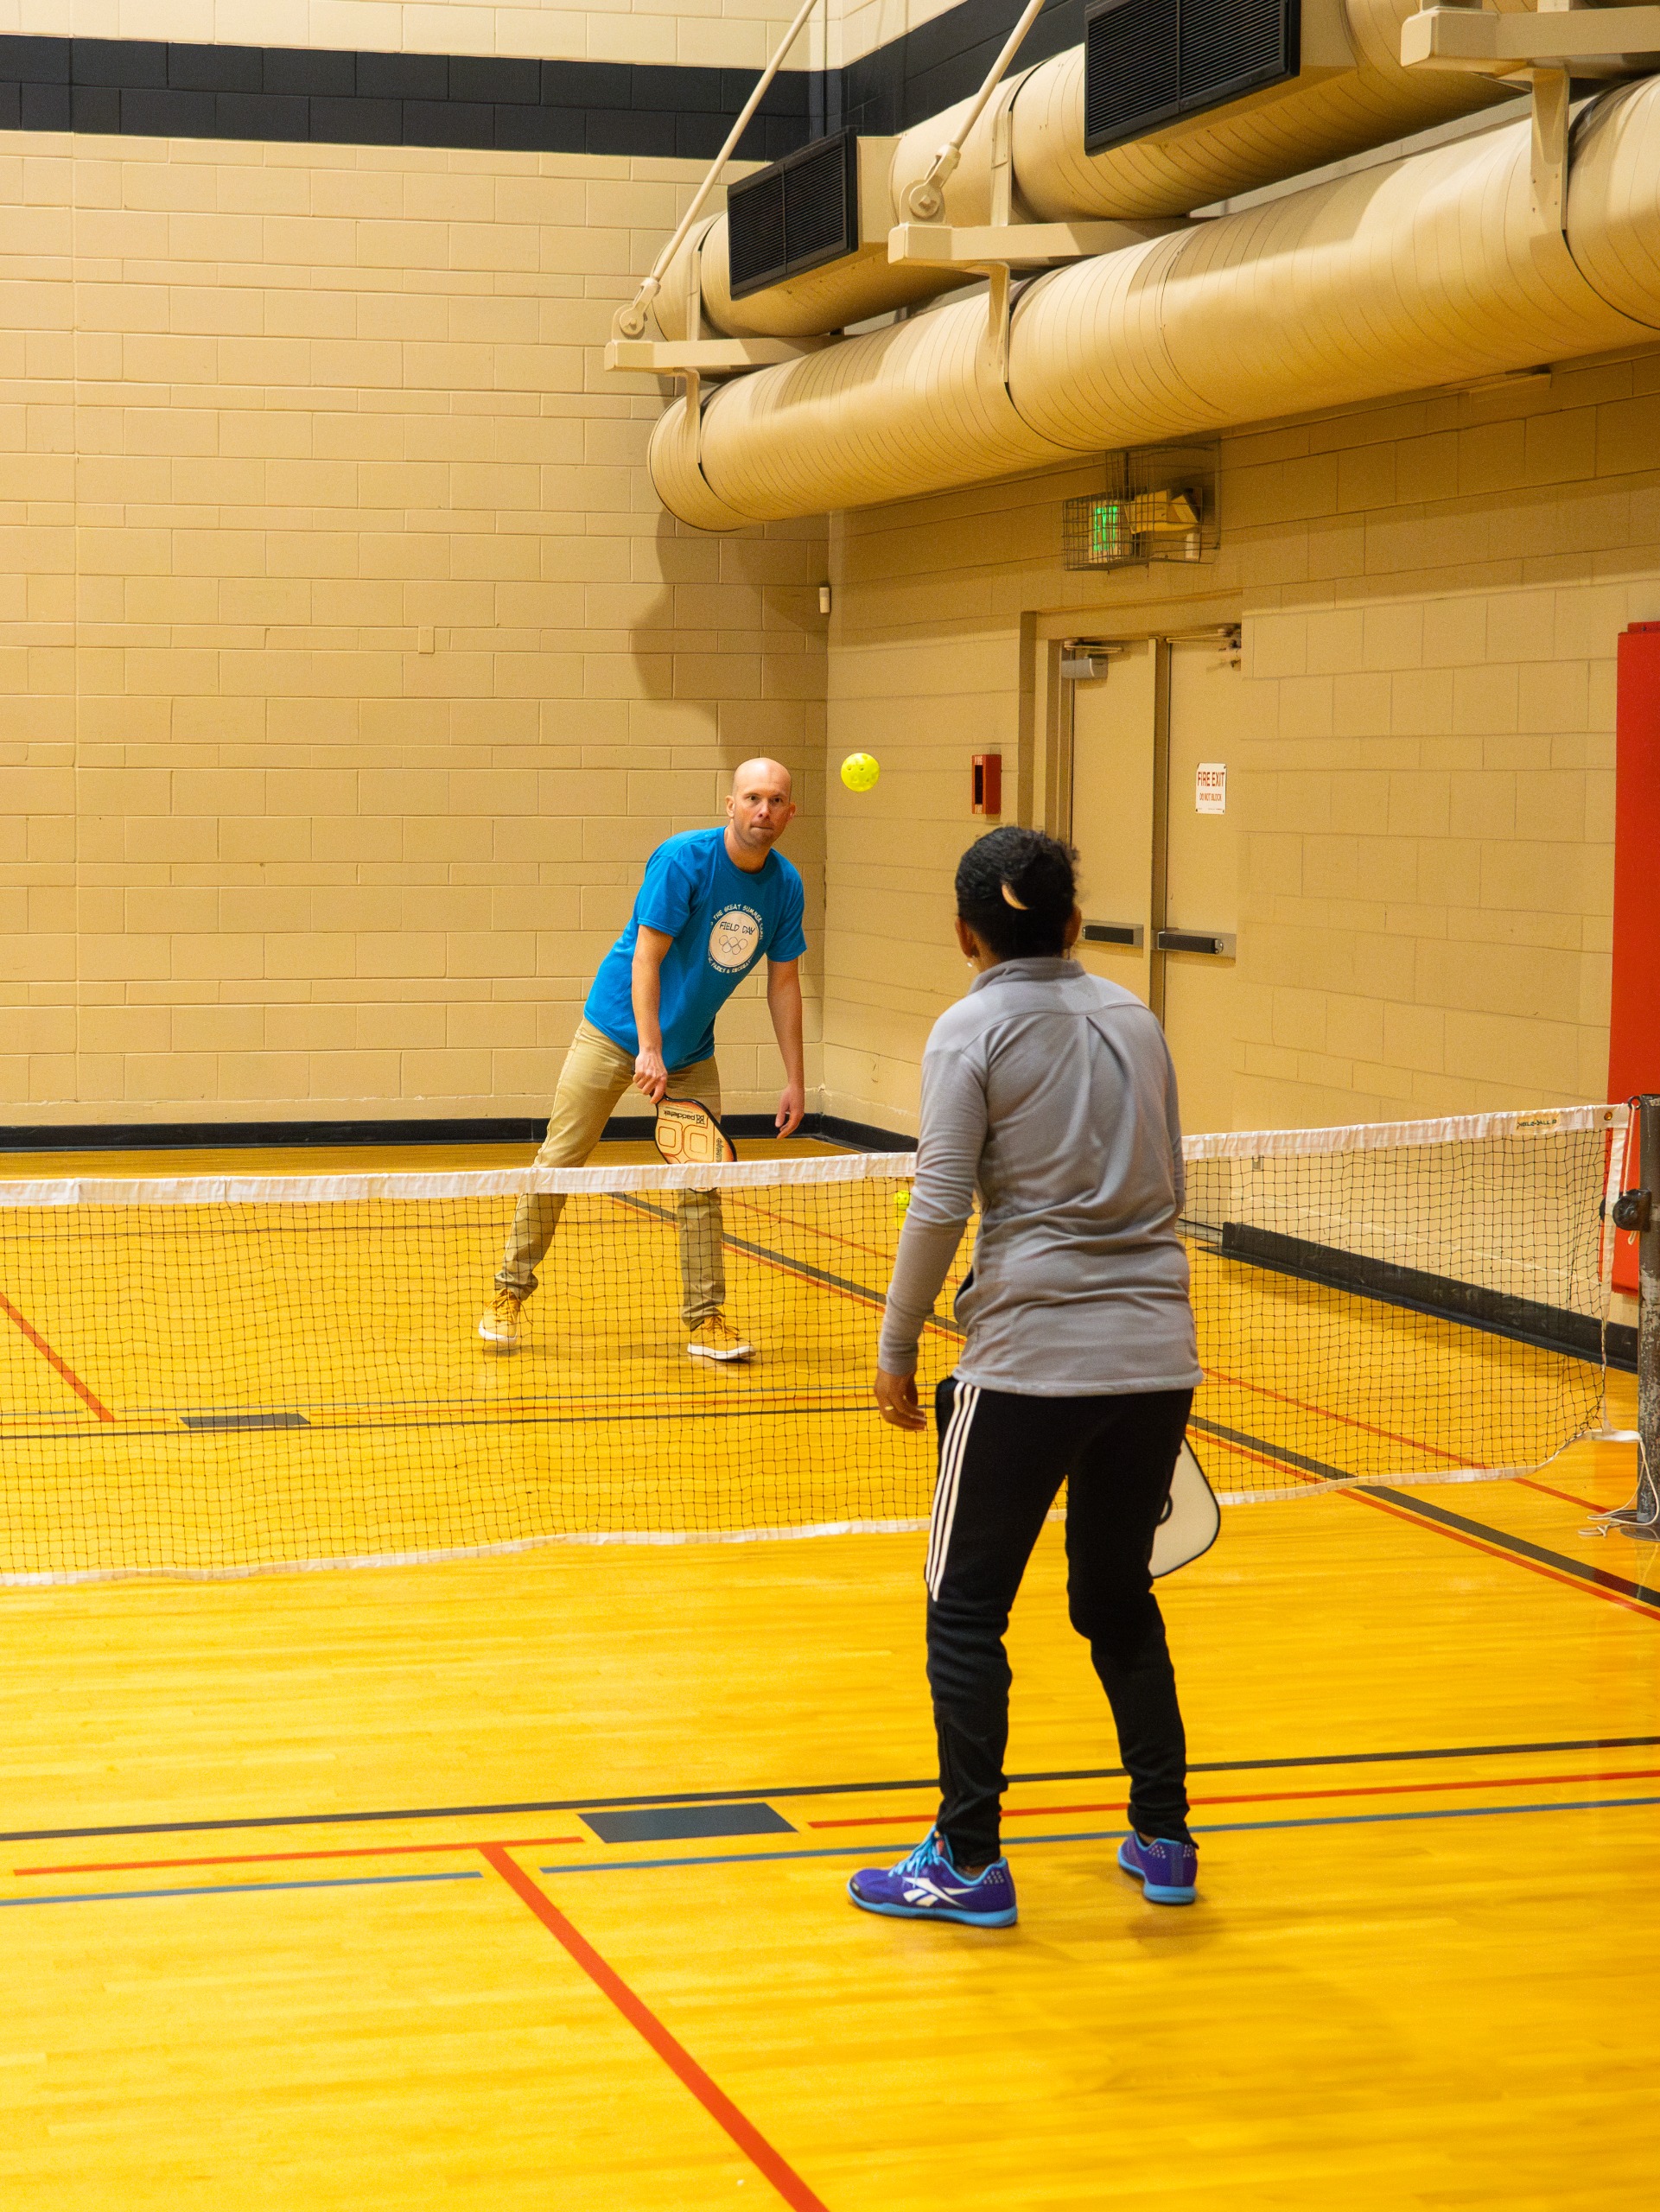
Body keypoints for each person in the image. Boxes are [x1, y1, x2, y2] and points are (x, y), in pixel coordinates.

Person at [847, 825, 1204, 1929]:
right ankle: (1164, 1836)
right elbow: (1169, 1177)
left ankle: (966, 1858)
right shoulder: (1139, 1020)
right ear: (1072, 922)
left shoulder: (970, 1029)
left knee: (963, 1611)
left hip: (1025, 1366)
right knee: (1114, 1598)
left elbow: (939, 1198)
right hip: (1155, 1359)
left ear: (965, 933)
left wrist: (897, 1342)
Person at [480, 760, 806, 1360]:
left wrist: (794, 1079)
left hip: (690, 1050)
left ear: (790, 812)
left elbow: (782, 984)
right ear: (730, 805)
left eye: (776, 800)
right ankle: (507, 1293)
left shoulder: (785, 886)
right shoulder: (683, 860)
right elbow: (645, 959)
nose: (763, 810)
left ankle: (705, 1321)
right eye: (752, 797)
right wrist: (646, 1047)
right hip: (613, 1034)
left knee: (699, 1181)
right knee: (559, 1160)